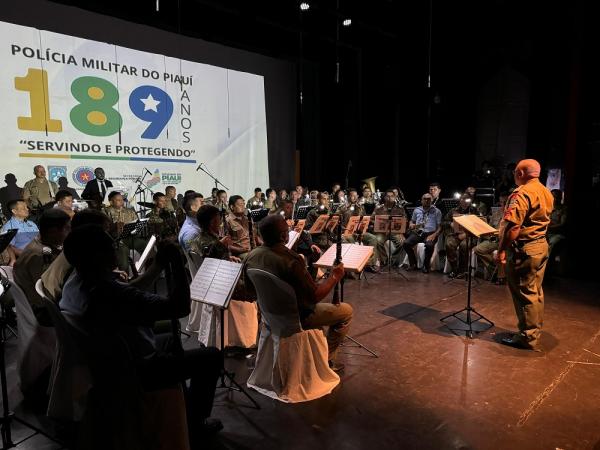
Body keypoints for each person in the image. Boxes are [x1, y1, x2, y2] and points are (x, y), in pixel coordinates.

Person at [61, 226, 223, 443]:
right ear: (97, 256)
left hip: (110, 359)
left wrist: (156, 266)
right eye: (112, 247)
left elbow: (130, 293)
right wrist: (175, 261)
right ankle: (195, 424)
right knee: (210, 356)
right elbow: (180, 308)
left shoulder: (76, 281)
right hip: (138, 370)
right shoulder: (109, 293)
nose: (117, 250)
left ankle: (178, 409)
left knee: (170, 335)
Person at [243, 214, 351, 371]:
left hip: (269, 315)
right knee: (347, 312)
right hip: (297, 317)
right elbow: (314, 297)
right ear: (283, 236)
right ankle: (325, 360)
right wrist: (334, 277)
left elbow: (250, 291)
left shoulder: (251, 256)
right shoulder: (292, 261)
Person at [494, 159, 553, 351]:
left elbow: (513, 227)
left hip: (525, 250)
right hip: (540, 246)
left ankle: (527, 337)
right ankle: (533, 330)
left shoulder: (522, 193)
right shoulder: (545, 191)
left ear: (520, 174)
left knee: (524, 293)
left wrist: (502, 249)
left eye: (514, 173)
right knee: (535, 291)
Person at [14, 208, 71, 326]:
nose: (70, 231)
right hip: (44, 311)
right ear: (53, 231)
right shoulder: (40, 255)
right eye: (66, 228)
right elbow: (49, 294)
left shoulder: (41, 243)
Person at [403, 193, 442, 273]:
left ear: (432, 200)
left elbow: (440, 226)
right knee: (406, 243)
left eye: (429, 199)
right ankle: (413, 263)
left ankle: (426, 266)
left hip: (430, 233)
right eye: (425, 199)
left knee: (429, 245)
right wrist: (411, 224)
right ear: (421, 200)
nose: (427, 200)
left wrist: (434, 235)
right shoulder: (417, 210)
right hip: (418, 232)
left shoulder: (437, 211)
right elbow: (412, 220)